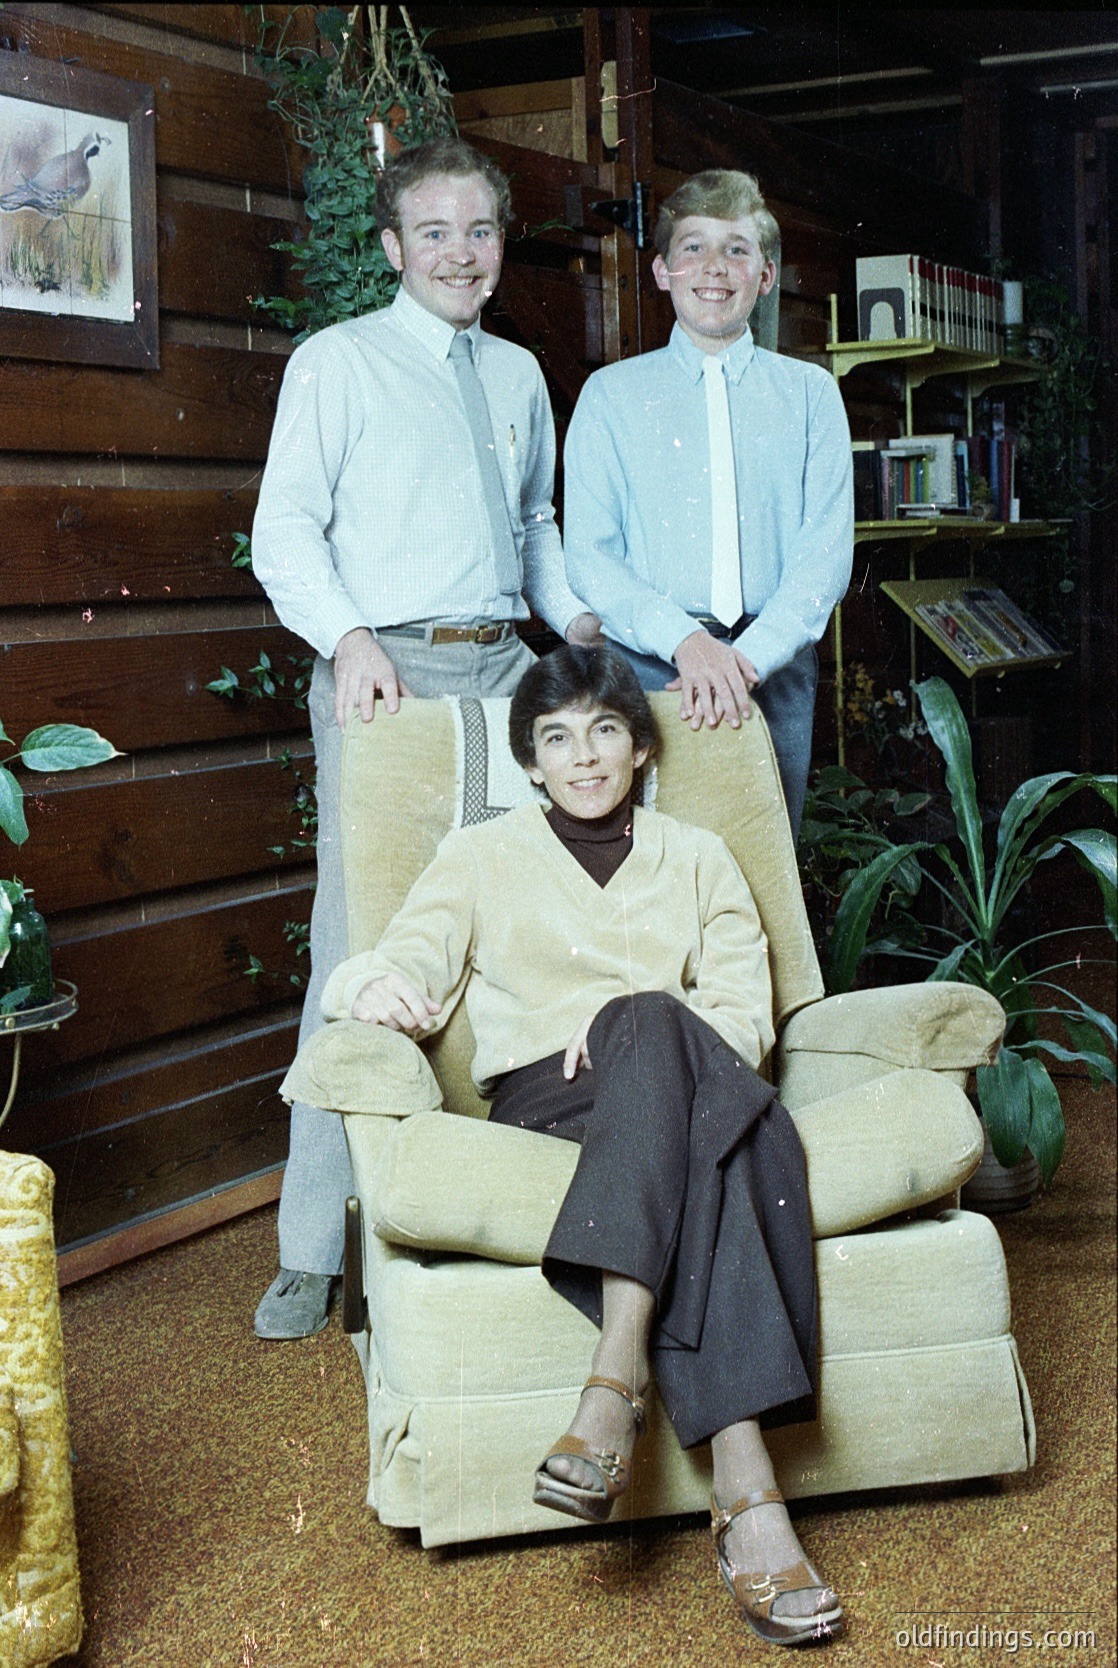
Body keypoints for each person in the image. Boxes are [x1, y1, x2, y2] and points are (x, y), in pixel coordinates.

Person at [323, 644, 842, 1648]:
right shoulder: (478, 858)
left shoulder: (696, 855)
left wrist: (638, 1030)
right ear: (528, 761)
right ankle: (748, 1502)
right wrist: (361, 991)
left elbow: (743, 1018)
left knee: (665, 1041)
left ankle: (622, 1389)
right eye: (557, 738)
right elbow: (397, 961)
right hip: (551, 1104)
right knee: (719, 1121)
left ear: (642, 749)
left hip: (691, 1084)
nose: (584, 757)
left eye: (605, 731)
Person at [250, 136, 601, 1340]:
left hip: (505, 665)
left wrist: (578, 620)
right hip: (385, 675)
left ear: (501, 248)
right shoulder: (335, 362)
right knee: (362, 939)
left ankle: (505, 1205)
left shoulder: (513, 374)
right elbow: (285, 532)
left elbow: (537, 525)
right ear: (393, 248)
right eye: (435, 233)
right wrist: (348, 638)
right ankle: (316, 1243)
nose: (462, 253)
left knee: (523, 924)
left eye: (480, 231)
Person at [563, 169, 854, 838]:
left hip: (771, 671)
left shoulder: (811, 396)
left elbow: (825, 557)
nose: (714, 268)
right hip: (649, 667)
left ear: (767, 274)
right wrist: (689, 644)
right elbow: (591, 558)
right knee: (641, 876)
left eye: (737, 249)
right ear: (662, 270)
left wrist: (743, 661)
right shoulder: (611, 397)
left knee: (762, 879)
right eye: (693, 247)